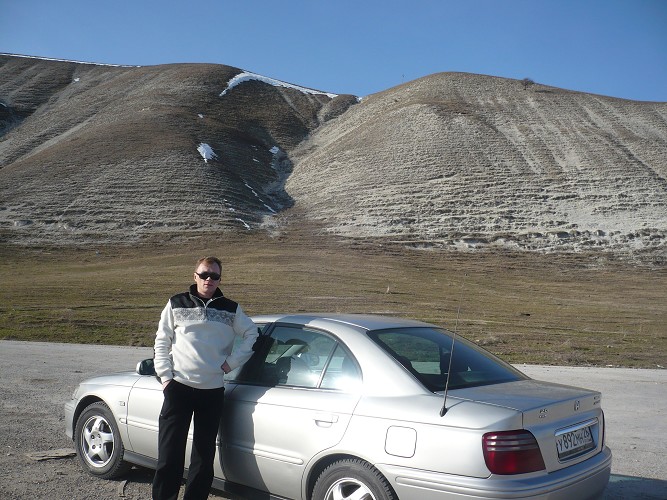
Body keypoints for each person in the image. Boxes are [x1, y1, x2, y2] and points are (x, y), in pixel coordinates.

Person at [152, 256, 258, 500]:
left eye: (214, 276)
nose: (209, 279)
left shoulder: (231, 308)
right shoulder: (176, 303)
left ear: (220, 279)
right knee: (169, 455)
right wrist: (166, 377)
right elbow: (161, 340)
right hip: (178, 388)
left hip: (212, 392)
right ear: (195, 276)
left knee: (203, 456)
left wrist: (230, 363)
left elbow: (252, 333)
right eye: (204, 274)